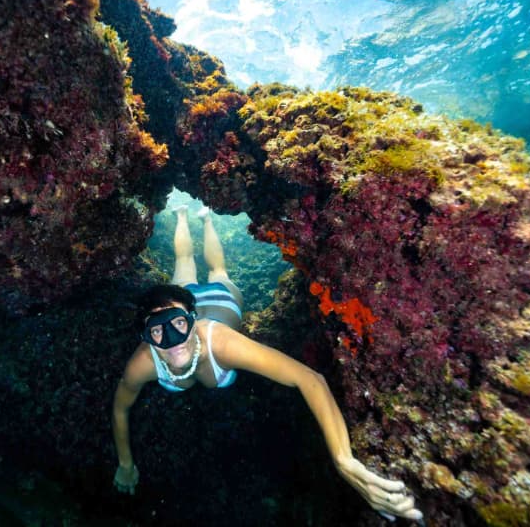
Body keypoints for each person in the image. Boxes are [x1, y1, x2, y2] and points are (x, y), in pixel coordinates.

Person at [111, 205, 423, 522]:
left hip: (220, 300)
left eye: (179, 324)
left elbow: (308, 378)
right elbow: (121, 407)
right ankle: (181, 215)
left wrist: (344, 460)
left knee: (218, 273)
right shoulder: (144, 363)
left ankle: (205, 219)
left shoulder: (223, 345)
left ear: (191, 321)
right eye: (157, 330)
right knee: (184, 263)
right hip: (182, 300)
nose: (172, 340)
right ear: (146, 337)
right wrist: (125, 463)